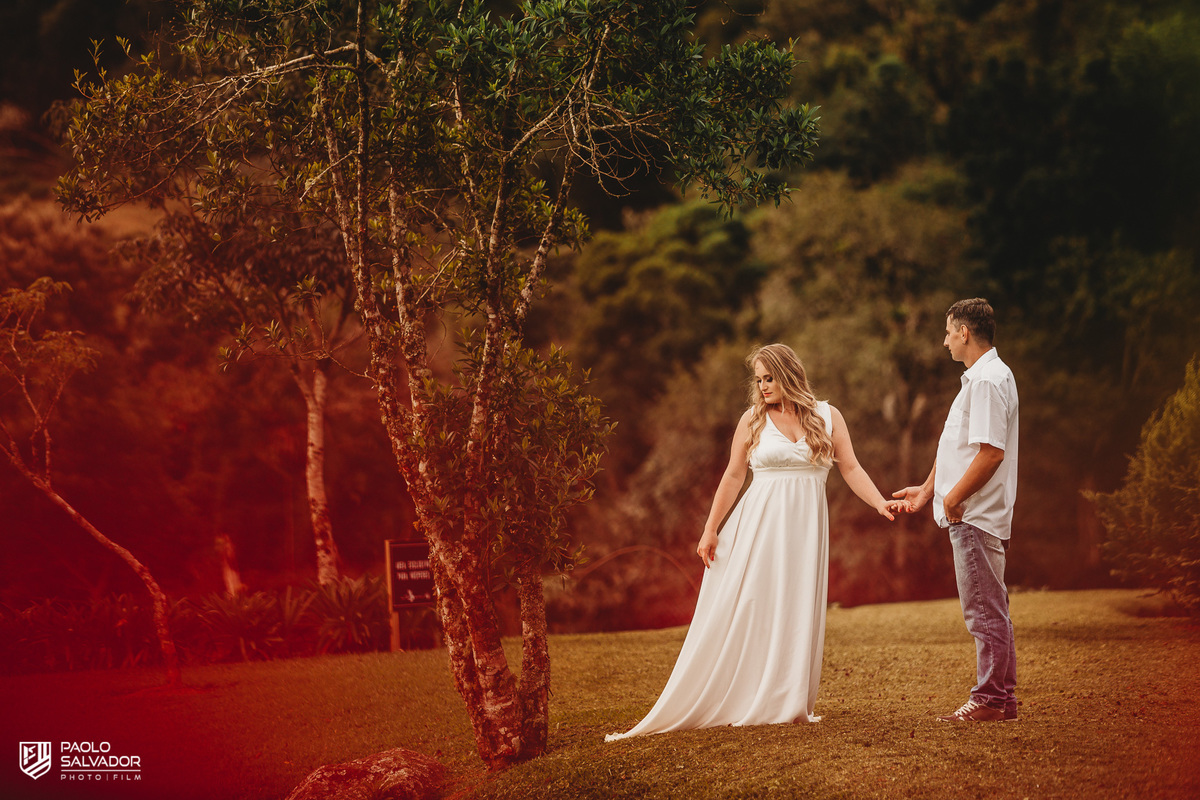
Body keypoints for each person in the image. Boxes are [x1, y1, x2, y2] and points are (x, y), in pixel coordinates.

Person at [605, 343, 895, 741]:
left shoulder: (828, 416)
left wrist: (879, 502)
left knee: (795, 602)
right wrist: (710, 528)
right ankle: (750, 693)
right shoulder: (752, 420)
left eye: (769, 378)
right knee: (755, 603)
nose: (762, 387)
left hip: (806, 528)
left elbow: (851, 467)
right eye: (758, 380)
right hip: (760, 524)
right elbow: (732, 476)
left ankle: (788, 698)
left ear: (788, 373)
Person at [891, 298, 1019, 722]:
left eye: (948, 332)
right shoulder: (983, 378)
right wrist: (929, 490)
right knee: (991, 606)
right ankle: (1001, 700)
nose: (944, 340)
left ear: (964, 332)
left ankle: (989, 700)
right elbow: (958, 447)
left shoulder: (985, 381)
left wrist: (951, 498)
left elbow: (990, 453)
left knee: (983, 610)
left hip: (973, 516)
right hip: (972, 512)